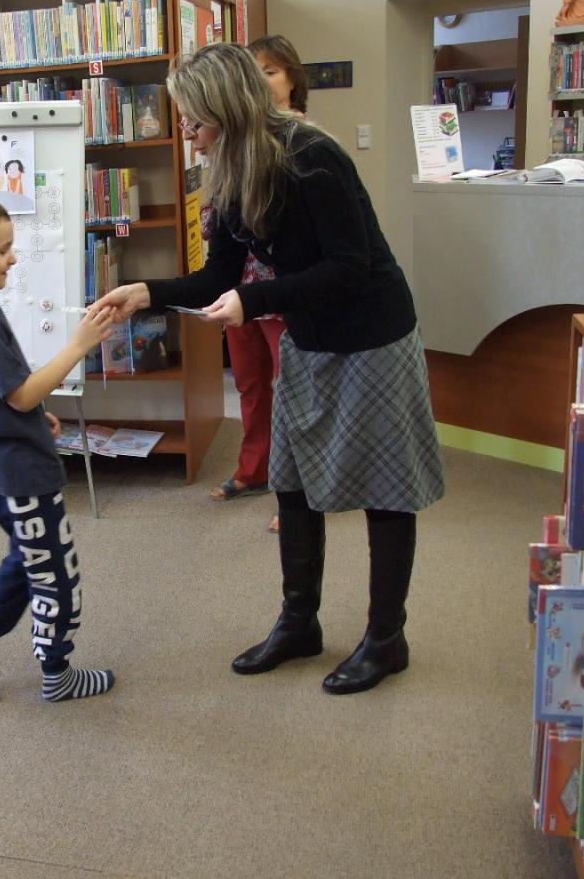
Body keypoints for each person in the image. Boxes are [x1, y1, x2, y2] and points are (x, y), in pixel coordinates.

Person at [93, 43, 445, 695]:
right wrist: (146, 293)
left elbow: (350, 268)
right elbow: (217, 276)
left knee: (386, 490)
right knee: (292, 478)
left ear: (226, 111)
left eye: (194, 121)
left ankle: (386, 639)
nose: (187, 135)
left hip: (372, 334)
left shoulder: (312, 158)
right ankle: (299, 623)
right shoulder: (229, 173)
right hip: (309, 335)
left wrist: (253, 302)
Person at [0, 192, 117, 704]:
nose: (12, 258)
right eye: (2, 250)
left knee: (26, 561)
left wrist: (36, 416)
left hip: (6, 463)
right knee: (56, 576)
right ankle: (57, 675)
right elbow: (19, 393)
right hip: (18, 473)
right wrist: (78, 345)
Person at [206, 36, 308, 535]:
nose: (262, 82)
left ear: (292, 79)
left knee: (293, 391)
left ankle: (297, 490)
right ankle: (254, 470)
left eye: (271, 71)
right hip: (238, 288)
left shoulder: (302, 140)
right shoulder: (233, 140)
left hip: (281, 292)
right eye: (254, 73)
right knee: (248, 383)